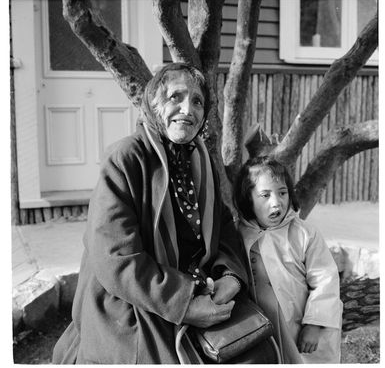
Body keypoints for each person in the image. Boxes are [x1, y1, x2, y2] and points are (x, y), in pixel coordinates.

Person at [52, 62, 250, 364]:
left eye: (197, 101)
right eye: (176, 97)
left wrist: (231, 278)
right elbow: (115, 257)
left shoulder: (200, 159)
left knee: (257, 342)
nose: (188, 109)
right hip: (132, 298)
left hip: (195, 284)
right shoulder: (126, 158)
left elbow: (222, 225)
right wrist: (185, 304)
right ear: (155, 105)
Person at [233, 156, 343, 364]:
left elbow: (325, 279)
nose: (276, 202)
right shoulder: (240, 234)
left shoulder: (303, 233)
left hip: (300, 323)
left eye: (282, 192)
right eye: (265, 195)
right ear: (248, 198)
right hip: (260, 326)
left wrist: (314, 323)